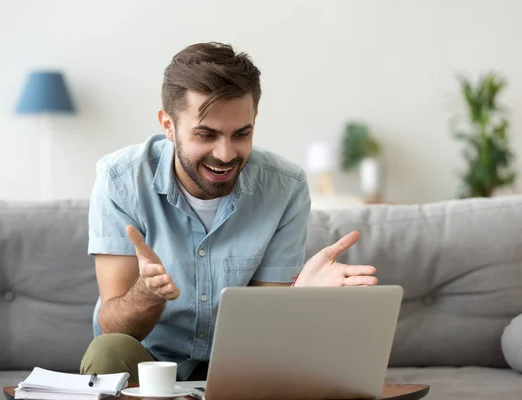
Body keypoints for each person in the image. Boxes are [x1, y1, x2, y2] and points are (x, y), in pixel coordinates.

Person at [79, 42, 378, 382]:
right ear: (168, 125)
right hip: (152, 364)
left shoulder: (285, 186)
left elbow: (271, 328)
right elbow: (113, 327)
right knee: (108, 352)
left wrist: (301, 299)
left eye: (241, 134)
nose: (225, 154)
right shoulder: (121, 179)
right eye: (206, 135)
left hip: (243, 362)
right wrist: (147, 294)